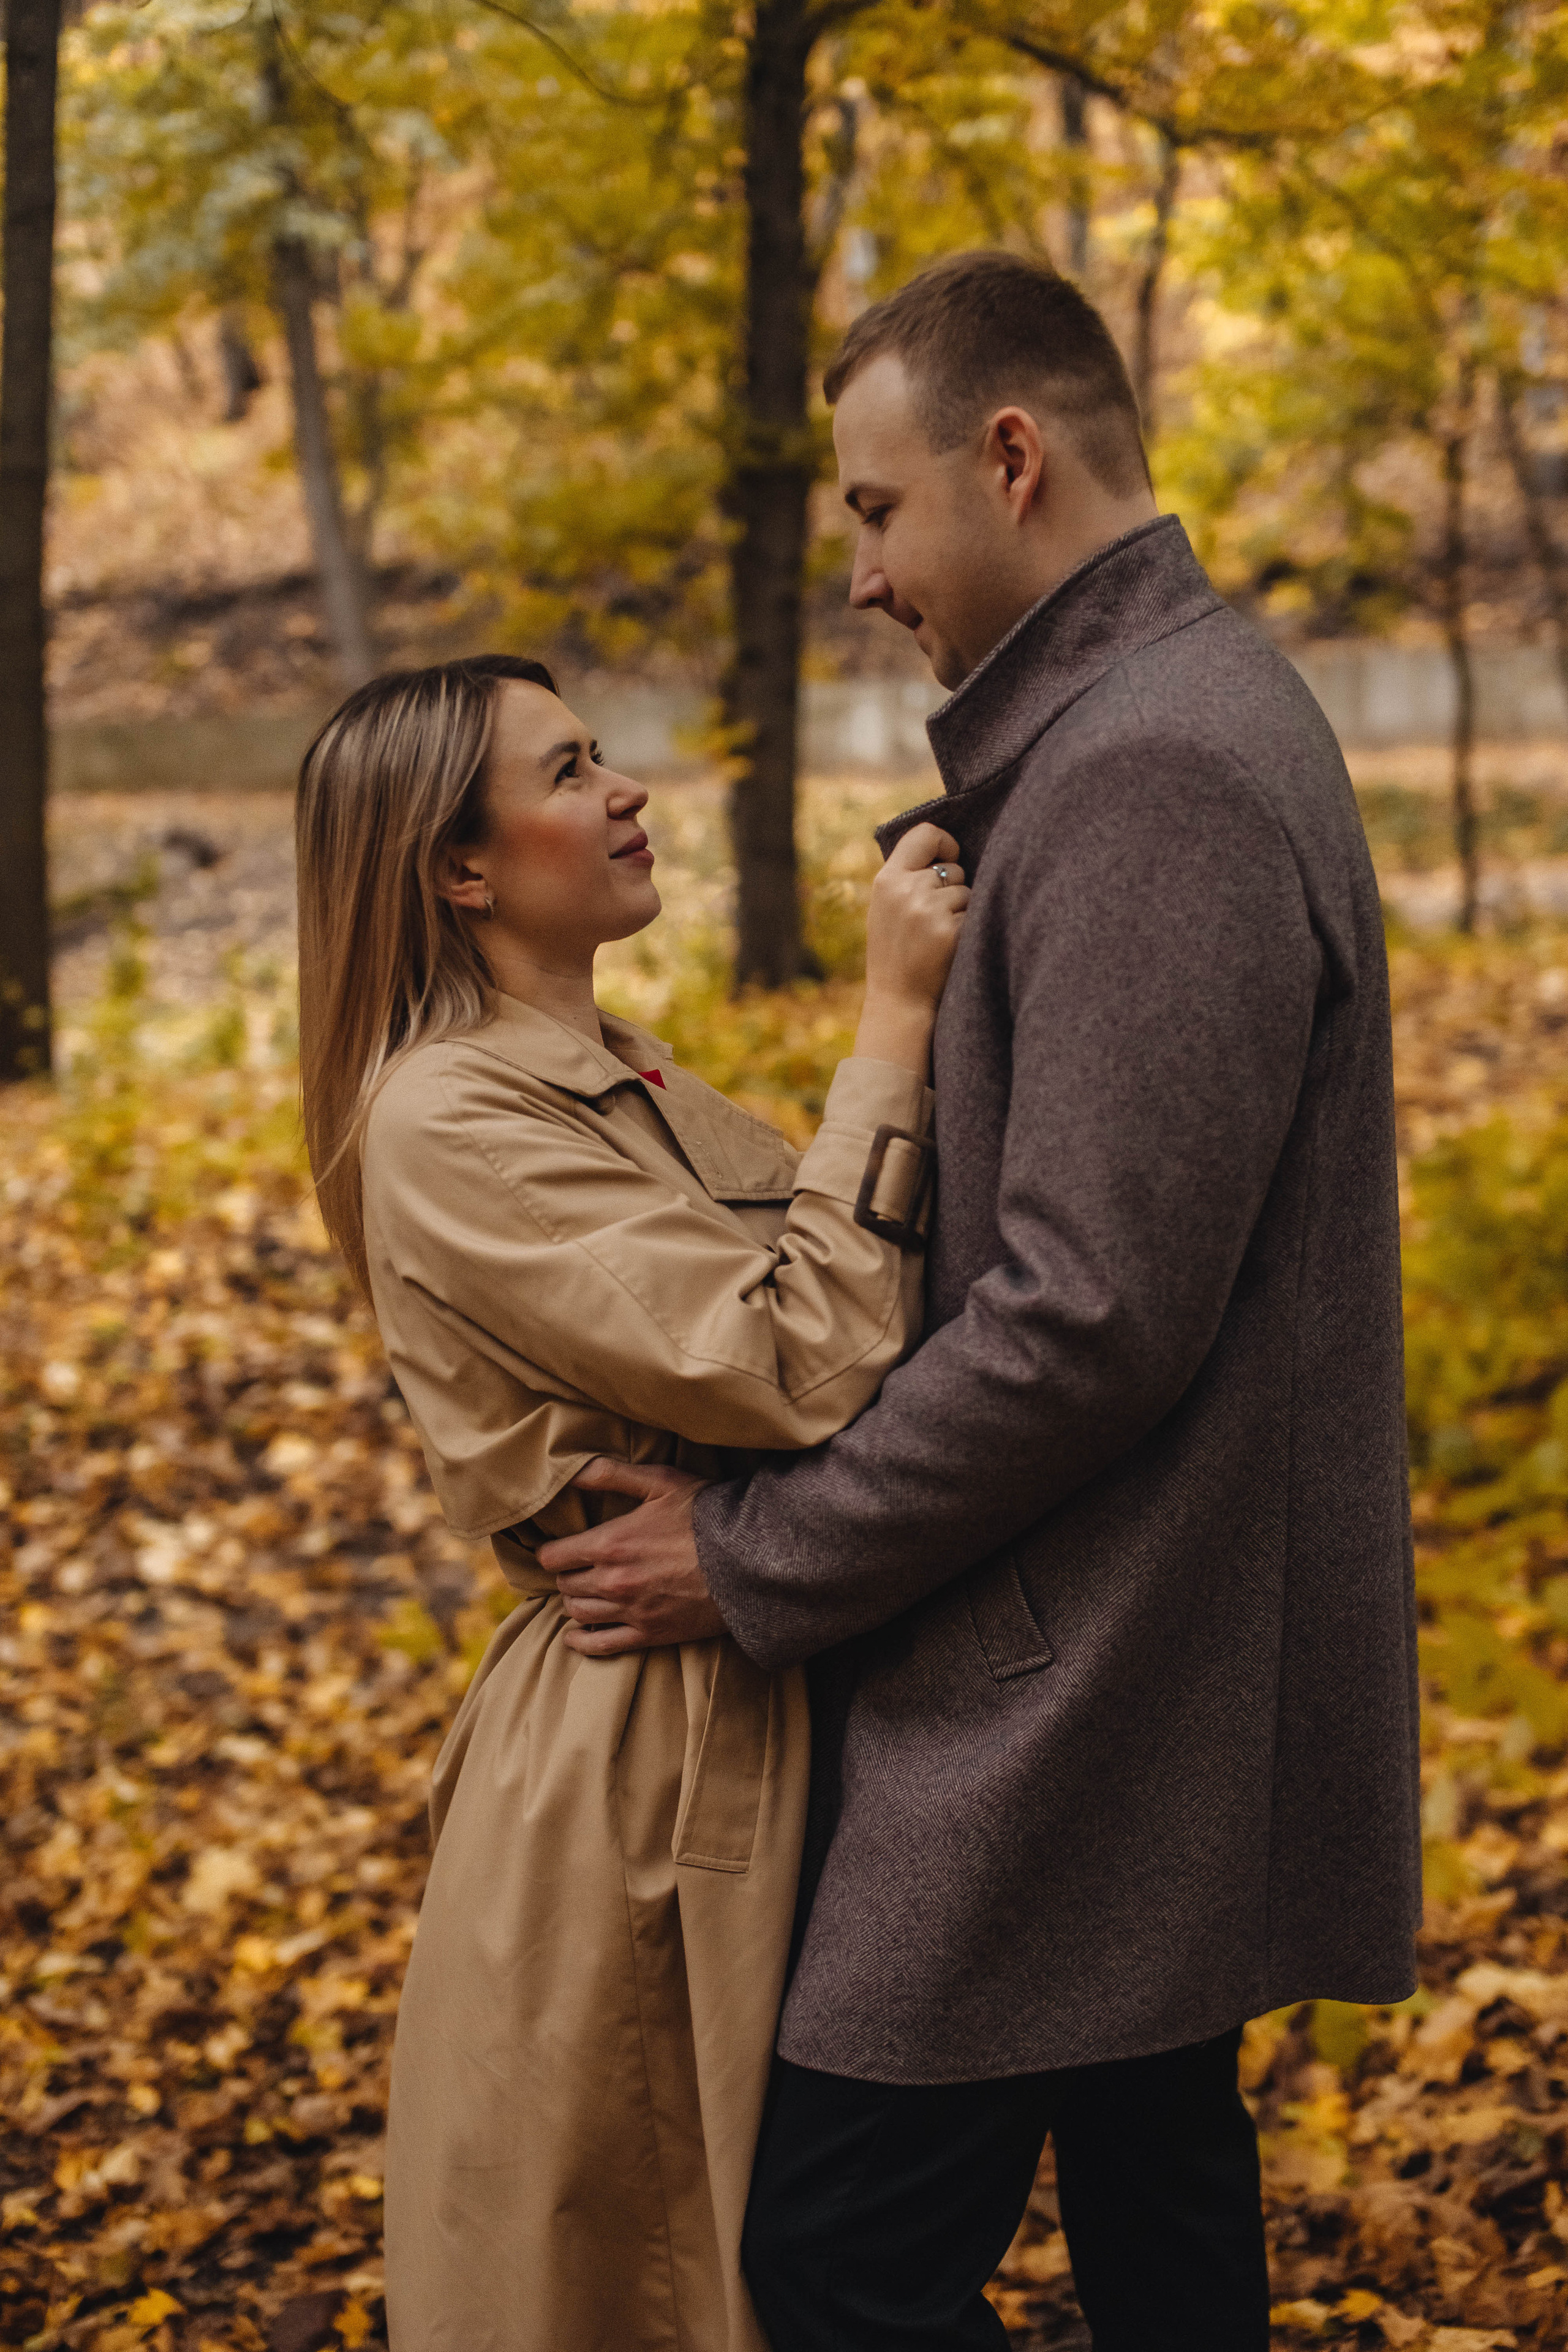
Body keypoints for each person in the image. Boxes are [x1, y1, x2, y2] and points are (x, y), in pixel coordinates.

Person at [535, 250, 1423, 2351]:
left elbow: (1087, 1313)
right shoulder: (1160, 714)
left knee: (838, 2266)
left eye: (872, 509)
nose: (859, 572)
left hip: (1074, 1687)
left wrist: (753, 1559)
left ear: (1007, 458)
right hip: (1124, 1656)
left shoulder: (1153, 768)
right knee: (1164, 2219)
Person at [292, 652, 970, 2352]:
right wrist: (895, 1021)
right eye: (573, 769)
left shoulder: (614, 1068)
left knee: (799, 2260)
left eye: (605, 757)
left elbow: (852, 1303)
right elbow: (802, 1354)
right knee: (668, 2272)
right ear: (458, 865)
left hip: (741, 1683)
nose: (627, 792)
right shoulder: (450, 1116)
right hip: (636, 1769)